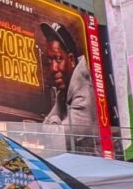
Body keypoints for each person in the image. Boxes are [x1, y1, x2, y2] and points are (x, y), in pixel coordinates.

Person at [40, 22, 97, 152]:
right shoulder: (66, 90)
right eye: (50, 61)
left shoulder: (84, 93)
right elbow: (43, 132)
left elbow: (57, 139)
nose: (53, 68)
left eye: (58, 59)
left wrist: (54, 118)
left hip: (94, 167)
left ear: (71, 60)